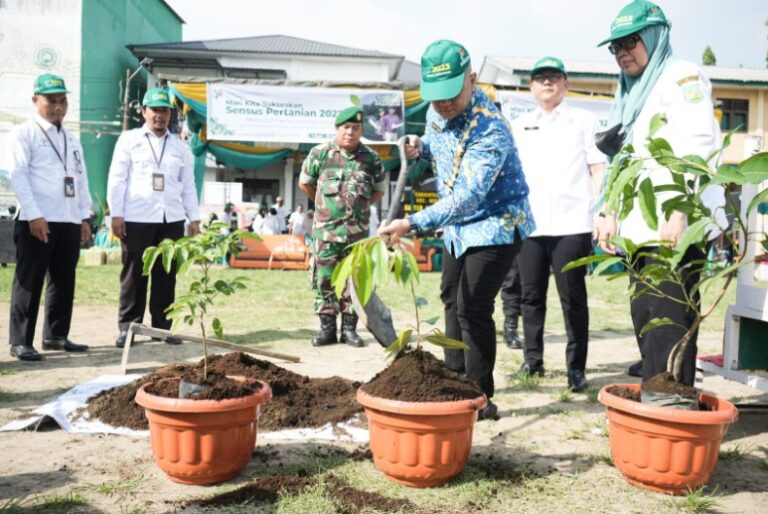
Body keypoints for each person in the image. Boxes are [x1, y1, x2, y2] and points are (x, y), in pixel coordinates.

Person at [378, 40, 535, 420]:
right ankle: (452, 379)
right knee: (451, 295)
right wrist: (422, 146)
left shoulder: (491, 129)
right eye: (437, 98)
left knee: (473, 306)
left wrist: (412, 222)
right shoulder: (438, 112)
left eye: (451, 95)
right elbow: (440, 143)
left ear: (472, 79)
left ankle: (480, 397)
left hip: (496, 223)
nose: (444, 105)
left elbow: (469, 195)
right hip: (458, 227)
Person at [594, 1, 726, 386]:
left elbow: (698, 145)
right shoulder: (630, 91)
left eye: (631, 42)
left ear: (654, 36)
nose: (622, 53)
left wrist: (677, 208)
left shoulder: (681, 75)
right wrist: (608, 209)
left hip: (675, 222)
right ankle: (656, 408)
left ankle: (671, 410)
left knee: (670, 321)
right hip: (640, 229)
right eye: (615, 47)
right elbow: (622, 158)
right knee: (646, 318)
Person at [506, 57, 606, 393]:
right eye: (540, 78)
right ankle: (532, 360)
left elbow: (597, 169)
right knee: (531, 297)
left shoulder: (583, 120)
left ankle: (575, 369)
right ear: (531, 87)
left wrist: (601, 212)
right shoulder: (520, 125)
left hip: (573, 222)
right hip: (531, 225)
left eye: (554, 77)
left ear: (565, 84)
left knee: (573, 298)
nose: (547, 83)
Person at [7, 73, 92, 361]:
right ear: (35, 101)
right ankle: (21, 341)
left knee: (63, 279)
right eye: (51, 101)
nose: (58, 107)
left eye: (63, 101)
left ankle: (56, 335)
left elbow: (80, 178)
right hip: (37, 219)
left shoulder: (71, 139)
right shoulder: (24, 133)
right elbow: (18, 175)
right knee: (29, 281)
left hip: (68, 219)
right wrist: (33, 215)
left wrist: (84, 216)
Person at [108, 87, 201, 348]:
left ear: (170, 114)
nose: (159, 115)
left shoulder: (181, 147)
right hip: (137, 218)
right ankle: (129, 328)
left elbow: (188, 186)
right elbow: (117, 178)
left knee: (166, 275)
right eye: (154, 110)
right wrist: (116, 214)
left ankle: (162, 328)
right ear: (143, 112)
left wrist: (193, 217)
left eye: (164, 110)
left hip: (170, 219)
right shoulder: (129, 140)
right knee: (134, 275)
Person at [299, 106, 386, 347]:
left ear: (361, 131)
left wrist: (359, 209)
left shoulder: (371, 158)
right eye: (345, 127)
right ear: (337, 129)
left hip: (357, 236)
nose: (350, 132)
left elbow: (378, 190)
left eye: (355, 128)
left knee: (354, 282)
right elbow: (305, 184)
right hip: (325, 233)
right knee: (324, 279)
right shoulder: (321, 153)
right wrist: (325, 207)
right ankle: (327, 329)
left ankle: (349, 330)